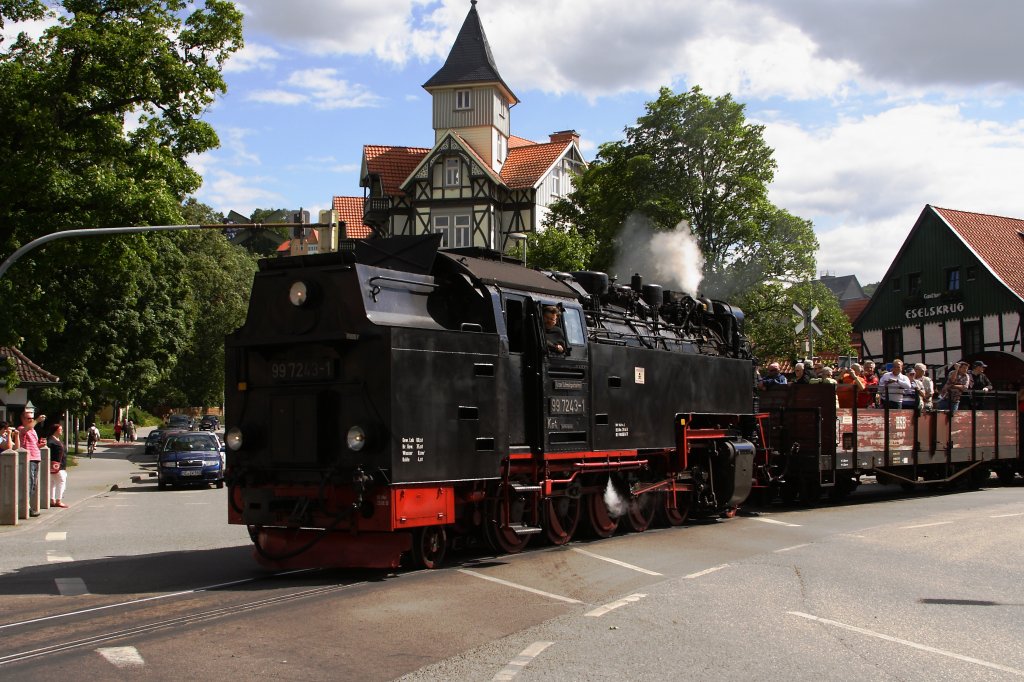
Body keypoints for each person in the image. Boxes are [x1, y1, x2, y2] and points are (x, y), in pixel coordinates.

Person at [18, 409, 47, 517]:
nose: (31, 420)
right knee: (29, 484)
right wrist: (37, 420)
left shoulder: (33, 431)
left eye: (32, 418)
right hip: (28, 459)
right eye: (28, 418)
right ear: (22, 419)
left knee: (33, 484)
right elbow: (24, 430)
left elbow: (34, 444)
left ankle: (28, 505)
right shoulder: (21, 428)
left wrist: (41, 445)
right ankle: (26, 507)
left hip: (36, 458)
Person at [47, 421, 68, 508]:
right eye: (60, 429)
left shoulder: (56, 440)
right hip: (57, 465)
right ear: (55, 430)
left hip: (58, 464)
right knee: (61, 481)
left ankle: (52, 500)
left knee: (53, 483)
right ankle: (58, 500)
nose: (61, 431)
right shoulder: (51, 441)